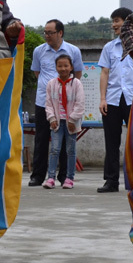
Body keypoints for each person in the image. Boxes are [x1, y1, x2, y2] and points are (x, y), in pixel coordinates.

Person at [97, 7, 133, 193]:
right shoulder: (109, 48)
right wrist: (102, 99)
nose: (114, 25)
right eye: (113, 21)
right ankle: (111, 181)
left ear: (128, 22)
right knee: (111, 142)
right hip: (112, 100)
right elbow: (104, 73)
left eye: (117, 20)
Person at [29, 19, 84, 187]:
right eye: (45, 32)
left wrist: (64, 92)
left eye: (50, 33)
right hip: (44, 102)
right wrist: (52, 90)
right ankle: (38, 176)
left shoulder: (73, 51)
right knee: (41, 139)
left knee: (66, 141)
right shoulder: (39, 51)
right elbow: (37, 73)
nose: (46, 36)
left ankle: (64, 176)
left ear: (60, 33)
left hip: (67, 105)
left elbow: (78, 74)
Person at [43, 55, 85, 190]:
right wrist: (52, 118)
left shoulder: (76, 84)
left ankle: (69, 178)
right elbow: (48, 103)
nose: (63, 68)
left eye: (66, 65)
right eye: (60, 66)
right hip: (57, 123)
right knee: (54, 149)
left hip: (71, 123)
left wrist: (72, 119)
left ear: (71, 67)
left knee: (70, 150)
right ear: (56, 67)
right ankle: (50, 178)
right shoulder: (51, 84)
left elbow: (80, 104)